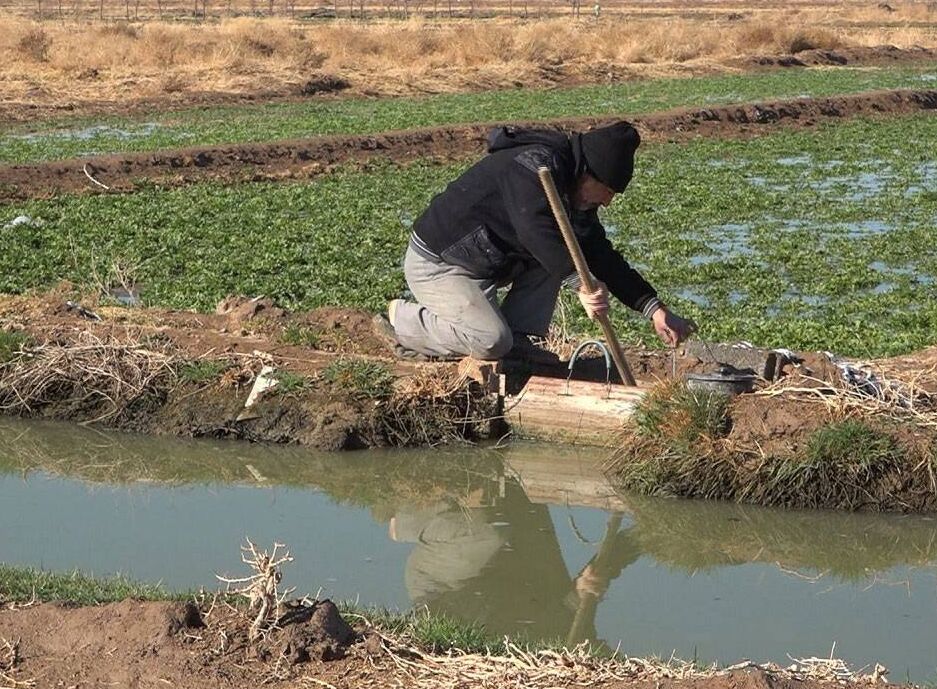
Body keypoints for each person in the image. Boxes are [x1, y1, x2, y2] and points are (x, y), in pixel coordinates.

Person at [373, 120, 696, 362]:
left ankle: (521, 340)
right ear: (590, 174)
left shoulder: (575, 193)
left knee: (564, 252)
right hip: (439, 263)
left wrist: (654, 310)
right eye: (609, 191)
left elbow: (600, 254)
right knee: (491, 341)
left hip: (485, 264)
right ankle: (403, 322)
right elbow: (534, 229)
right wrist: (581, 285)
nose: (608, 202)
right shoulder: (534, 166)